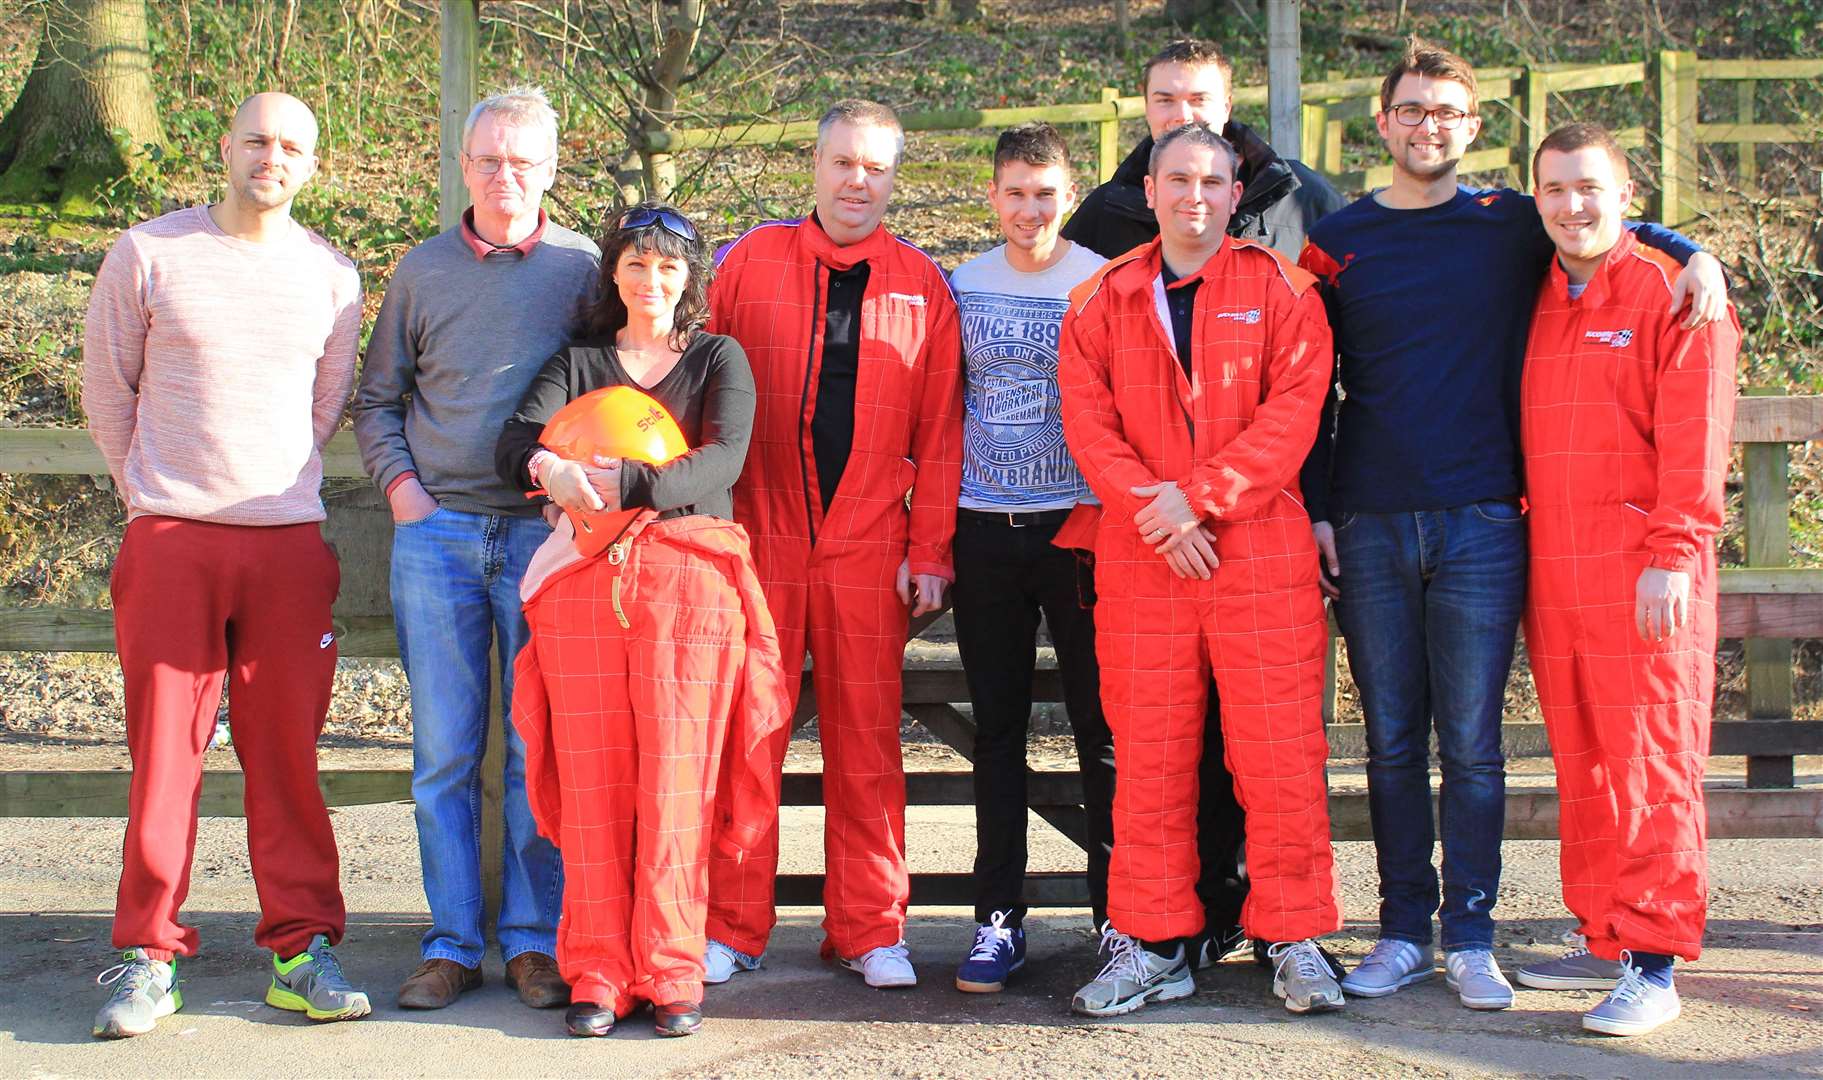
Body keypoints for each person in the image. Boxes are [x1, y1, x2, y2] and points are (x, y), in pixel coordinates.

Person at [1297, 37, 1729, 1012]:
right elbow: (1298, 378)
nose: (1426, 127)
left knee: (1476, 742)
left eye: (1445, 112)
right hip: (1368, 518)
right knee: (1392, 740)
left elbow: (1602, 220)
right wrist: (1317, 504)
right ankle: (1402, 929)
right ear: (1381, 122)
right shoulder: (1337, 238)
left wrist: (1689, 250)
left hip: (1487, 520)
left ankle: (1472, 937)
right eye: (1409, 111)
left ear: (1472, 125)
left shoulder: (1506, 224)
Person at [81, 92, 369, 1038]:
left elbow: (323, 410)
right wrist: (153, 496)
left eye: (292, 145)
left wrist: (261, 492)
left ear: (311, 164)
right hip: (173, 538)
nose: (271, 156)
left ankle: (300, 951)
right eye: (256, 139)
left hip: (285, 542)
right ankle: (147, 955)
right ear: (226, 147)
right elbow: (107, 389)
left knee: (286, 755)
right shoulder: (150, 254)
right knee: (166, 753)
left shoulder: (333, 276)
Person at [1060, 37, 1346, 968]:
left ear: (1235, 192)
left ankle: (1293, 936)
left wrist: (1199, 501)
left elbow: (1294, 413)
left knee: (1278, 759)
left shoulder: (1284, 291)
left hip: (1258, 552)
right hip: (1142, 557)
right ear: (1148, 191)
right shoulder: (1100, 297)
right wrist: (1158, 511)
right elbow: (1087, 421)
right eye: (1175, 180)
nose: (1192, 196)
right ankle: (1149, 939)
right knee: (1147, 762)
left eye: (1210, 182)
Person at [497, 202, 791, 1038]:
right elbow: (516, 439)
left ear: (689, 278)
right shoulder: (581, 361)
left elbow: (721, 458)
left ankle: (670, 970)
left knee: (674, 784)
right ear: (614, 273)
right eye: (635, 263)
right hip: (586, 592)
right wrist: (545, 464)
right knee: (593, 784)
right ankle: (595, 972)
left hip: (688, 591)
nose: (651, 279)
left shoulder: (716, 357)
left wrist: (627, 485)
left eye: (668, 266)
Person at [704, 99, 963, 989]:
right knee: (748, 736)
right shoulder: (748, 262)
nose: (860, 181)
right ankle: (731, 925)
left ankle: (869, 926)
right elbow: (696, 392)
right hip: (759, 536)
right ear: (814, 166)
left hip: (866, 543)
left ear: (896, 178)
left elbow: (940, 433)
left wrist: (929, 550)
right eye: (844, 163)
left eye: (877, 168)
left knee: (867, 744)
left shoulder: (922, 285)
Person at [352, 85, 598, 1011]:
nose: (505, 176)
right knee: (445, 754)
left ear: (549, 170)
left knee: (538, 749)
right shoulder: (421, 271)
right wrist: (404, 493)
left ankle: (535, 941)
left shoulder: (581, 269)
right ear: (463, 165)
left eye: (523, 162)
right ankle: (452, 941)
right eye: (489, 159)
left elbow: (613, 383)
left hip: (545, 538)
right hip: (439, 534)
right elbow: (378, 400)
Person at [1513, 123, 1738, 1037]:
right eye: (1556, 189)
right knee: (1585, 763)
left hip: (1647, 570)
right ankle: (1604, 928)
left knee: (1652, 764)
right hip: (1554, 568)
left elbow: (1696, 436)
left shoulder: (1669, 290)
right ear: (1535, 200)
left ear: (1626, 192)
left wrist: (1673, 553)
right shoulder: (1531, 287)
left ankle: (1655, 955)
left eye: (1590, 188)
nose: (1573, 206)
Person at [945, 122, 1112, 994]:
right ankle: (996, 920)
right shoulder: (961, 284)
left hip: (1078, 528)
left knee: (1099, 727)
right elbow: (941, 409)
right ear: (992, 196)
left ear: (1068, 196)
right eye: (1013, 191)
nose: (1028, 208)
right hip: (983, 527)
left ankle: (1120, 919)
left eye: (1044, 192)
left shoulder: (1099, 281)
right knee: (998, 730)